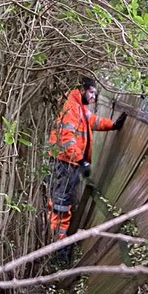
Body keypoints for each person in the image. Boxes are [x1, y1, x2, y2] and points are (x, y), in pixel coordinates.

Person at [46, 77, 126, 243]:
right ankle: (56, 243)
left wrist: (113, 125)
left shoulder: (79, 106)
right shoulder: (71, 106)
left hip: (68, 162)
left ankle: (56, 240)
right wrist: (81, 160)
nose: (93, 97)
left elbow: (93, 121)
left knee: (61, 204)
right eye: (91, 93)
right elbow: (66, 138)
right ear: (82, 89)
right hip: (65, 163)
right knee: (60, 205)